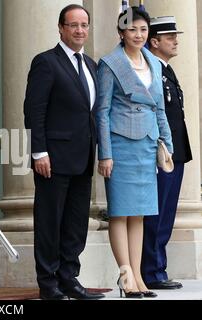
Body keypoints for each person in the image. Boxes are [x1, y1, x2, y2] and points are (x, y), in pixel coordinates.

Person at [24, 4, 103, 300]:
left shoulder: (91, 65)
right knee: (49, 222)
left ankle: (69, 279)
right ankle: (49, 284)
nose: (80, 30)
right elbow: (34, 111)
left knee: (75, 224)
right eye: (73, 25)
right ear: (61, 28)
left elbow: (91, 112)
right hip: (53, 160)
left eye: (84, 25)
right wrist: (39, 153)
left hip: (83, 158)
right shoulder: (46, 62)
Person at [96, 7, 174, 298]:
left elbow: (160, 109)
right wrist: (105, 154)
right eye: (132, 29)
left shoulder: (153, 62)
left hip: (147, 145)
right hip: (120, 146)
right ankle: (125, 276)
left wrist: (167, 142)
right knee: (120, 213)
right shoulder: (110, 64)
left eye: (143, 29)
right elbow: (101, 112)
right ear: (121, 32)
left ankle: (139, 276)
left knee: (139, 214)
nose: (138, 35)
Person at [141, 16, 192, 290]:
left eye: (176, 35)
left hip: (175, 150)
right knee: (156, 213)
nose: (175, 40)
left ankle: (158, 268)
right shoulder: (150, 70)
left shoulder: (165, 69)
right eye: (170, 36)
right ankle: (151, 271)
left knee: (167, 213)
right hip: (161, 151)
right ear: (154, 41)